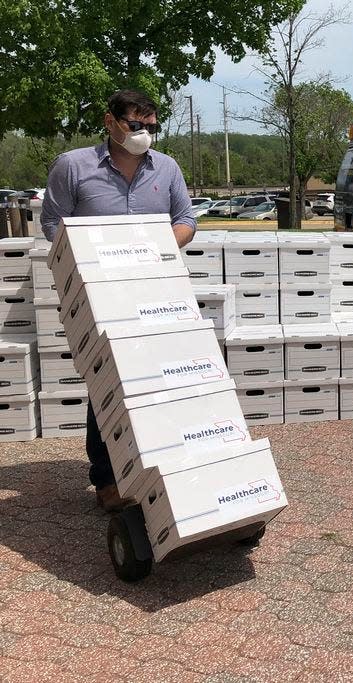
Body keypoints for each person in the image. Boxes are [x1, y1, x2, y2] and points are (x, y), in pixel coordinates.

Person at [41, 89, 196, 512]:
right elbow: (52, 220)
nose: (144, 133)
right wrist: (82, 263)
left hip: (155, 290)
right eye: (135, 124)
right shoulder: (74, 166)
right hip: (98, 294)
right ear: (110, 122)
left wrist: (157, 248)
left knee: (160, 377)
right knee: (108, 382)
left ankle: (161, 460)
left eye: (151, 126)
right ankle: (107, 478)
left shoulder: (166, 168)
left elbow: (186, 220)